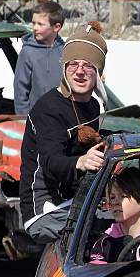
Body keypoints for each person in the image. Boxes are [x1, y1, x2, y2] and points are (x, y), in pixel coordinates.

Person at [19, 21, 108, 244]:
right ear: (64, 67)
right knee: (99, 239)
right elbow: (51, 163)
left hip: (74, 202)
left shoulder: (93, 107)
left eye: (88, 65)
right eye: (72, 64)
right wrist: (81, 162)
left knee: (127, 222)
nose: (79, 71)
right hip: (45, 209)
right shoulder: (49, 108)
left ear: (98, 72)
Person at [13, 1, 65, 115]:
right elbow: (20, 90)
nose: (35, 28)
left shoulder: (65, 51)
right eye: (33, 23)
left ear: (56, 27)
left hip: (62, 117)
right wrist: (23, 119)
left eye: (40, 24)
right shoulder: (28, 52)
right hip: (37, 119)